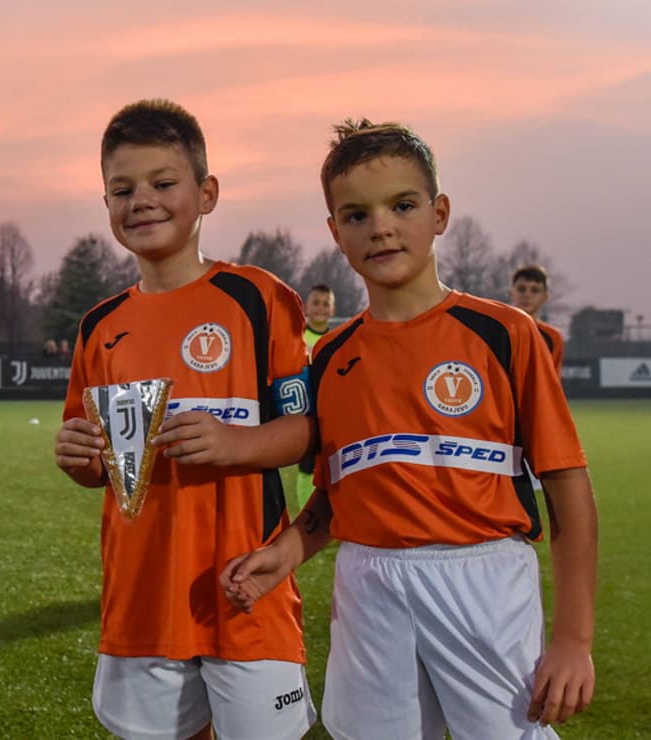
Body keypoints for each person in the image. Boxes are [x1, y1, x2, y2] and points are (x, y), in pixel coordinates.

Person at [222, 119, 598, 737]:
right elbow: (338, 490)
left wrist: (574, 640)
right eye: (356, 215)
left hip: (483, 579)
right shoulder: (331, 355)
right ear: (336, 232)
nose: (381, 227)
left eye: (402, 205)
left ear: (439, 213)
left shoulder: (503, 334)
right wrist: (286, 551)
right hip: (367, 580)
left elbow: (567, 487)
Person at [54, 99, 316, 740]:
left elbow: (309, 432)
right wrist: (78, 458)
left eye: (163, 183)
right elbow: (101, 469)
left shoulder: (258, 299)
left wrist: (234, 443)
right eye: (123, 190)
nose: (142, 200)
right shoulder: (100, 326)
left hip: (245, 589)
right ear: (106, 203)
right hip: (142, 596)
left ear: (206, 194)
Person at [294, 284, 335, 510]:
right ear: (306, 307)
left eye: (326, 304)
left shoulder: (337, 340)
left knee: (335, 467)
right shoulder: (297, 339)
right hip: (308, 414)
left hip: (332, 414)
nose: (321, 308)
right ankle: (306, 516)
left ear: (333, 309)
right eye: (316, 303)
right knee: (307, 468)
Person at [511, 264, 564, 372]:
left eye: (535, 290)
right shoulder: (500, 331)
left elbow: (553, 377)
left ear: (545, 297)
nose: (527, 295)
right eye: (521, 289)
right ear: (512, 293)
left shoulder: (553, 337)